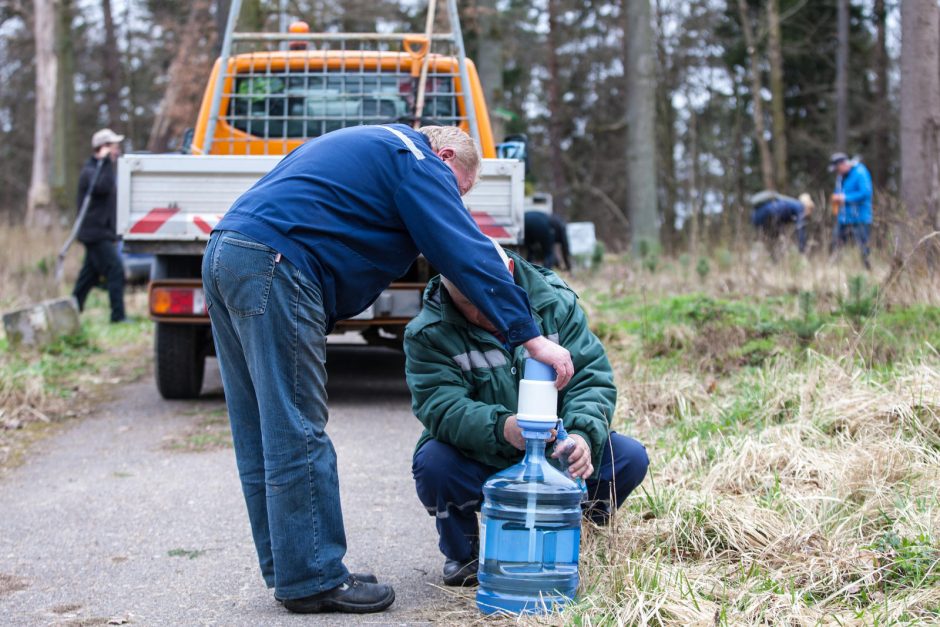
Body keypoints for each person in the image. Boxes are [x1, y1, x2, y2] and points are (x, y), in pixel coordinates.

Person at [201, 124, 575, 615]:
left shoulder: (367, 144)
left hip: (228, 252)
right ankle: (313, 577)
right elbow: (465, 250)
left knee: (259, 427)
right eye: (458, 189)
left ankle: (291, 568)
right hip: (276, 264)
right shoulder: (414, 159)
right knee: (296, 426)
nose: (453, 202)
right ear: (445, 156)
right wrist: (530, 335)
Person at [405, 242, 649, 587]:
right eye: (466, 304)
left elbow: (591, 378)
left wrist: (580, 437)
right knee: (434, 464)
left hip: (555, 453)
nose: (479, 314)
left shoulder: (554, 302)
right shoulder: (427, 332)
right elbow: (441, 406)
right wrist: (503, 428)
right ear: (446, 286)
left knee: (628, 458)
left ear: (507, 275)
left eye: (486, 298)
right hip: (486, 455)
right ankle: (466, 554)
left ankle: (576, 535)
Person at [72, 128, 126, 323]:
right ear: (102, 148)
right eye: (114, 147)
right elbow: (101, 187)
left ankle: (72, 310)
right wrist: (104, 162)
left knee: (88, 276)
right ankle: (117, 316)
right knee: (116, 270)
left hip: (101, 233)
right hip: (95, 234)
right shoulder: (90, 172)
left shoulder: (101, 170)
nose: (117, 151)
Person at [829, 152, 873, 269]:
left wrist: (845, 198)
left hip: (860, 217)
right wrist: (836, 199)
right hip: (843, 218)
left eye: (838, 169)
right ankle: (833, 270)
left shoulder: (860, 172)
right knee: (836, 244)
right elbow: (838, 193)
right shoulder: (840, 177)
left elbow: (865, 193)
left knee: (863, 247)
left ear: (843, 164)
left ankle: (867, 270)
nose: (837, 172)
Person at [749, 190, 815, 254]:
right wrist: (802, 250)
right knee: (778, 242)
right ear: (807, 207)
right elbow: (800, 230)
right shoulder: (800, 207)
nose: (809, 213)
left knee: (768, 242)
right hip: (769, 215)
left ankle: (757, 258)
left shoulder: (789, 203)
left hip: (756, 216)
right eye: (810, 209)